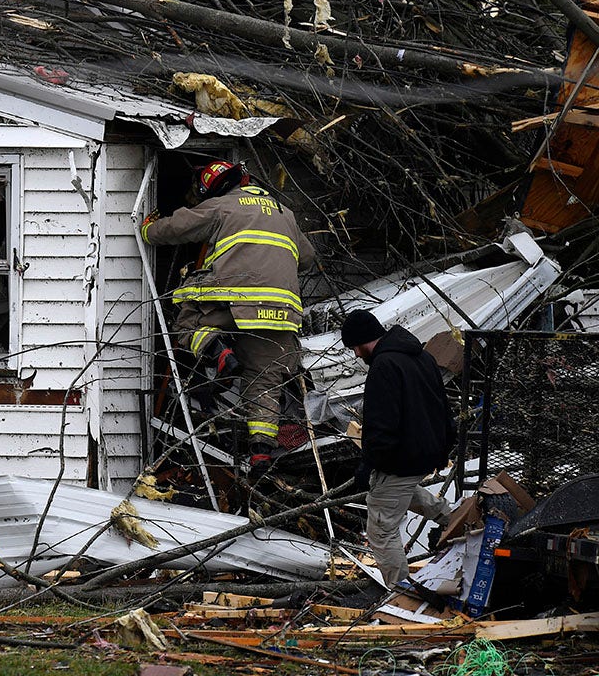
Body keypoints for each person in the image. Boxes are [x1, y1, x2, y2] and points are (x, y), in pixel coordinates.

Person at [142, 160, 316, 477]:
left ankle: (218, 351)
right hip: (281, 313)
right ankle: (261, 455)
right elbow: (307, 258)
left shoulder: (223, 206)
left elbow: (177, 227)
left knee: (185, 311)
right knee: (264, 383)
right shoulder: (285, 213)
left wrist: (149, 229)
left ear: (214, 189)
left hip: (235, 301)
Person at [341, 309, 454, 588]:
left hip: (399, 458)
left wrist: (369, 463)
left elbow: (382, 422)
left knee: (381, 529)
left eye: (354, 347)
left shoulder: (384, 365)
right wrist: (443, 447)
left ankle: (399, 592)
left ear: (362, 341)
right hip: (424, 453)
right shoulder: (423, 357)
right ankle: (460, 520)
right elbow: (442, 405)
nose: (356, 354)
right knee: (404, 493)